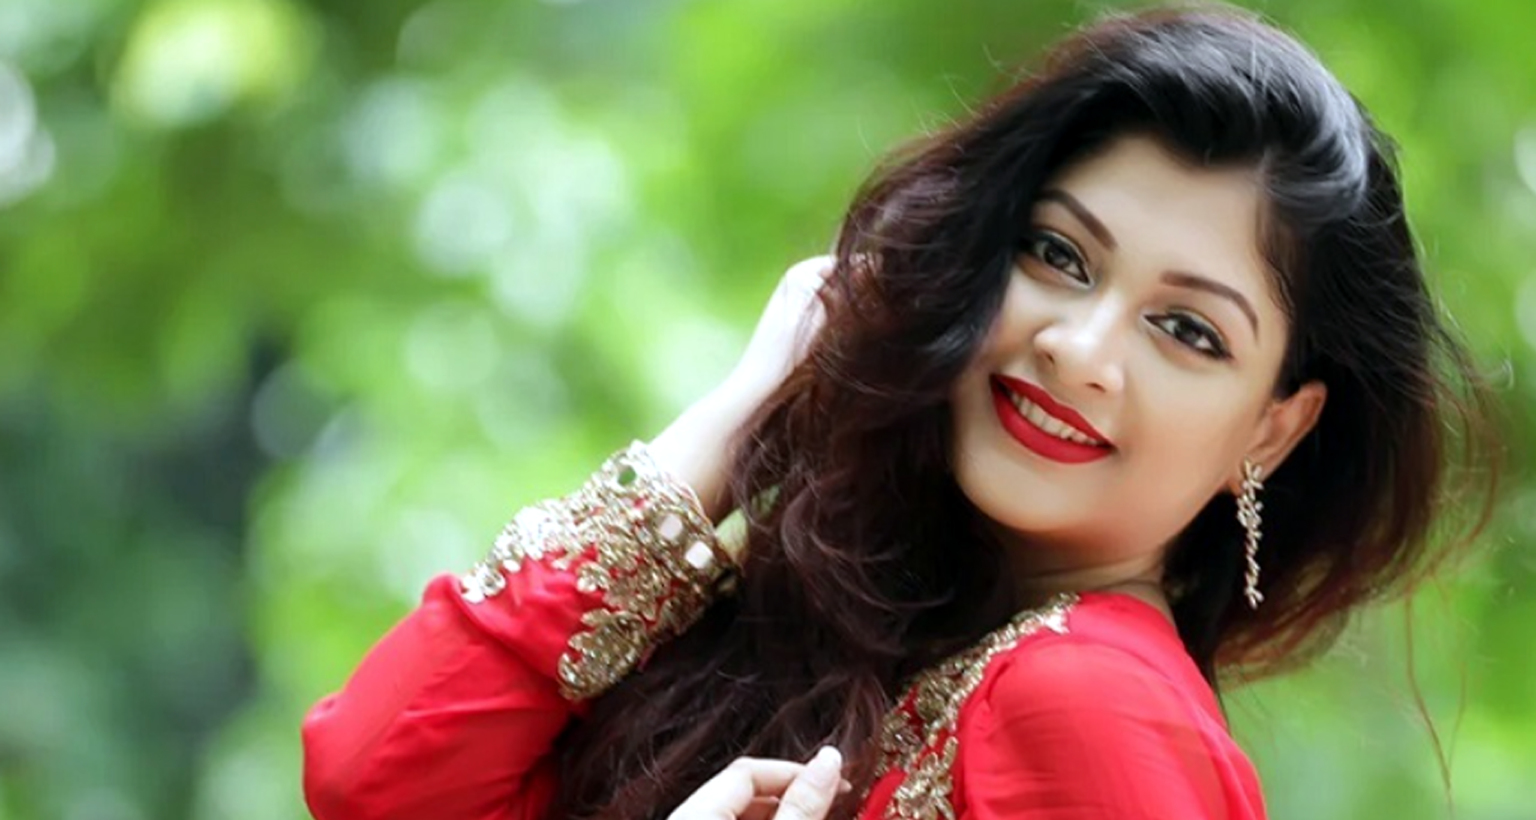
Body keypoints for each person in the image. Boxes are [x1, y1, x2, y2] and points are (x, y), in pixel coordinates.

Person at [300, 4, 1499, 819]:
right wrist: (727, 431)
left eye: (1187, 330)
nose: (1079, 350)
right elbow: (379, 779)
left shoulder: (1091, 700)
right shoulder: (846, 642)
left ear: (1274, 428)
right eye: (1058, 255)